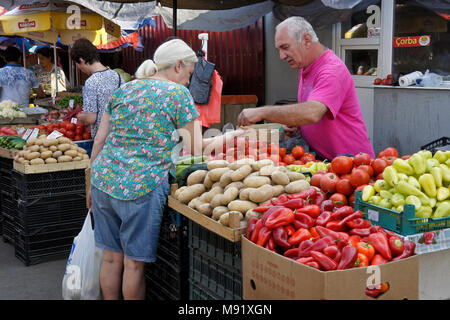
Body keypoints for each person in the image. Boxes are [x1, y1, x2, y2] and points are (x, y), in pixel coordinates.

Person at [88, 39, 247, 300]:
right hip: (141, 186)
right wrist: (230, 137)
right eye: (189, 74)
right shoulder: (177, 95)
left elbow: (99, 140)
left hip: (104, 179)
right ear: (178, 65)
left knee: (111, 259)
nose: (188, 81)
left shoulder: (125, 89)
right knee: (133, 264)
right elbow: (197, 149)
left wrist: (90, 184)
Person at [238, 16, 375, 160]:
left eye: (285, 47)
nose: (281, 56)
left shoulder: (331, 70)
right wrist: (298, 125)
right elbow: (312, 113)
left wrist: (262, 112)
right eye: (279, 50)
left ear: (307, 40)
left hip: (354, 164)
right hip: (328, 162)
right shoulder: (305, 67)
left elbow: (312, 112)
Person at [70, 38, 124, 138]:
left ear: (82, 60)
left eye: (77, 64)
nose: (79, 68)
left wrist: (80, 116)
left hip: (102, 138)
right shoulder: (117, 76)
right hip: (120, 135)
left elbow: (91, 118)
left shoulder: (91, 82)